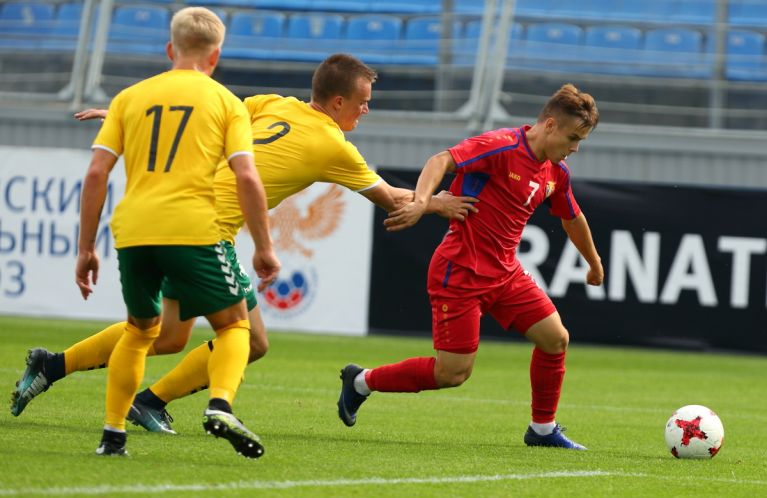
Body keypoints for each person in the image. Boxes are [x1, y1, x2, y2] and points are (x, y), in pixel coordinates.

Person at [10, 54, 477, 435]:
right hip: (207, 229)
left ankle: (55, 366)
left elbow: (203, 119)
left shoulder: (275, 103)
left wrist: (121, 114)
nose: (366, 110)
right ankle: (157, 402)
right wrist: (439, 204)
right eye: (363, 101)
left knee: (168, 335)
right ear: (337, 102)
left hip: (179, 214)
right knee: (249, 339)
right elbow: (391, 199)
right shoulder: (334, 146)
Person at [337, 83, 604, 450]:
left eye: (581, 141)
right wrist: (421, 202)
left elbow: (573, 218)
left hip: (506, 274)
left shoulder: (555, 172)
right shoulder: (503, 145)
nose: (574, 148)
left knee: (555, 339)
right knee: (453, 373)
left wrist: (593, 262)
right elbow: (440, 160)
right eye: (573, 138)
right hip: (460, 272)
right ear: (550, 125)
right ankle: (361, 381)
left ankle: (542, 429)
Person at [73, 6, 280, 457]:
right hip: (193, 228)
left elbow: (96, 174)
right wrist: (264, 247)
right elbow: (246, 177)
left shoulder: (130, 97)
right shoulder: (226, 102)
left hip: (133, 231)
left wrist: (86, 247)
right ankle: (221, 403)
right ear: (216, 56)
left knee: (140, 330)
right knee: (234, 325)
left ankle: (112, 435)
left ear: (170, 48)